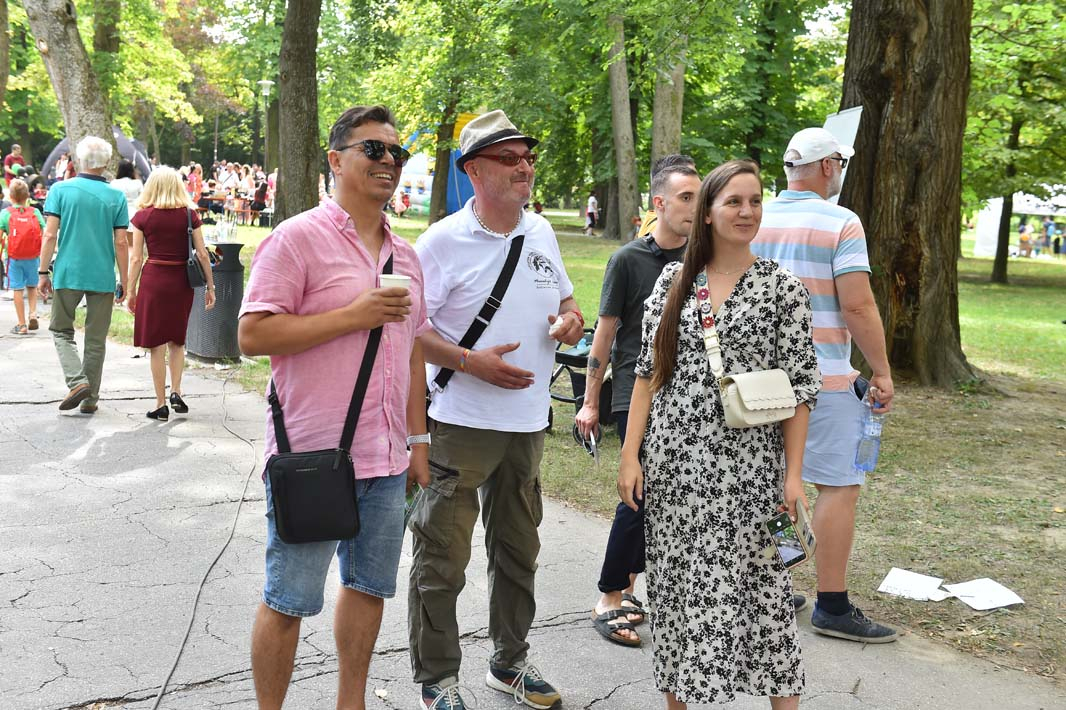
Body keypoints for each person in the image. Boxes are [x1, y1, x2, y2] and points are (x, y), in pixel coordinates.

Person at [238, 105, 430, 710]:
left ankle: (353, 702)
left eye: (396, 152)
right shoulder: (296, 238)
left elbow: (412, 353)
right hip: (313, 456)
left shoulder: (407, 255)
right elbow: (252, 335)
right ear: (336, 160)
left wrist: (418, 442)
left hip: (386, 457)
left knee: (369, 588)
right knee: (288, 600)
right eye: (373, 149)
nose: (388, 161)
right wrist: (353, 316)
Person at [619, 159, 820, 710]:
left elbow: (802, 390)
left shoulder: (782, 289)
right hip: (676, 467)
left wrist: (793, 477)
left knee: (766, 592)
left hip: (752, 470)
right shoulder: (674, 281)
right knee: (678, 591)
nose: (746, 211)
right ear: (707, 212)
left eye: (755, 201)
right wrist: (631, 455)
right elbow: (647, 374)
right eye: (734, 201)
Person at [409, 110, 584, 710]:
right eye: (509, 158)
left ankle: (509, 662)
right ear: (474, 171)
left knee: (518, 553)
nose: (524, 166)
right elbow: (409, 331)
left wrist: (570, 322)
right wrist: (469, 361)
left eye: (527, 157)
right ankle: (438, 680)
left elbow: (569, 303)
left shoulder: (541, 232)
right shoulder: (440, 242)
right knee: (442, 558)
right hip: (460, 424)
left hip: (528, 425)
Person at [752, 127, 898, 643]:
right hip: (824, 375)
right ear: (830, 166)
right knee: (837, 485)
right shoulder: (842, 221)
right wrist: (881, 370)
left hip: (760, 380)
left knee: (770, 482)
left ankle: (772, 585)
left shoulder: (754, 216)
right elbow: (856, 304)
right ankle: (832, 604)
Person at [575, 154, 699, 647]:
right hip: (634, 392)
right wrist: (590, 401)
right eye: (685, 197)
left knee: (667, 496)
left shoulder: (703, 261)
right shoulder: (628, 260)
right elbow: (604, 335)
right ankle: (609, 595)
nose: (694, 206)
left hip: (687, 398)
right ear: (659, 203)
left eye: (699, 197)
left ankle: (631, 590)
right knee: (639, 493)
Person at [37, 136, 129, 414]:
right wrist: (124, 280)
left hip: (69, 271)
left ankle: (77, 382)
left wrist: (43, 271)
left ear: (79, 159)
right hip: (102, 274)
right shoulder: (116, 196)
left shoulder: (60, 190)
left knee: (60, 329)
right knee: (96, 339)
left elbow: (50, 234)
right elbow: (121, 242)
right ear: (107, 161)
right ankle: (90, 399)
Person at [126, 167, 215, 420]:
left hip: (154, 280)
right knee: (177, 340)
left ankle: (160, 403)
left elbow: (136, 258)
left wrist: (130, 290)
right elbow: (202, 254)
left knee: (156, 344)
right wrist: (210, 286)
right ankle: (176, 391)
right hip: (181, 282)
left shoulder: (142, 217)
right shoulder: (189, 215)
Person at [1, 178, 46, 335]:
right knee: (32, 286)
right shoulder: (35, 212)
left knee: (17, 289)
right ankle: (32, 314)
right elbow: (44, 231)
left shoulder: (6, 213)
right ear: (27, 196)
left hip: (14, 257)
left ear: (11, 197)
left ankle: (21, 325)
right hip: (33, 256)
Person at [110, 159, 143, 229]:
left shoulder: (113, 183)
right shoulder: (138, 183)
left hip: (118, 216)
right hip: (135, 215)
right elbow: (142, 200)